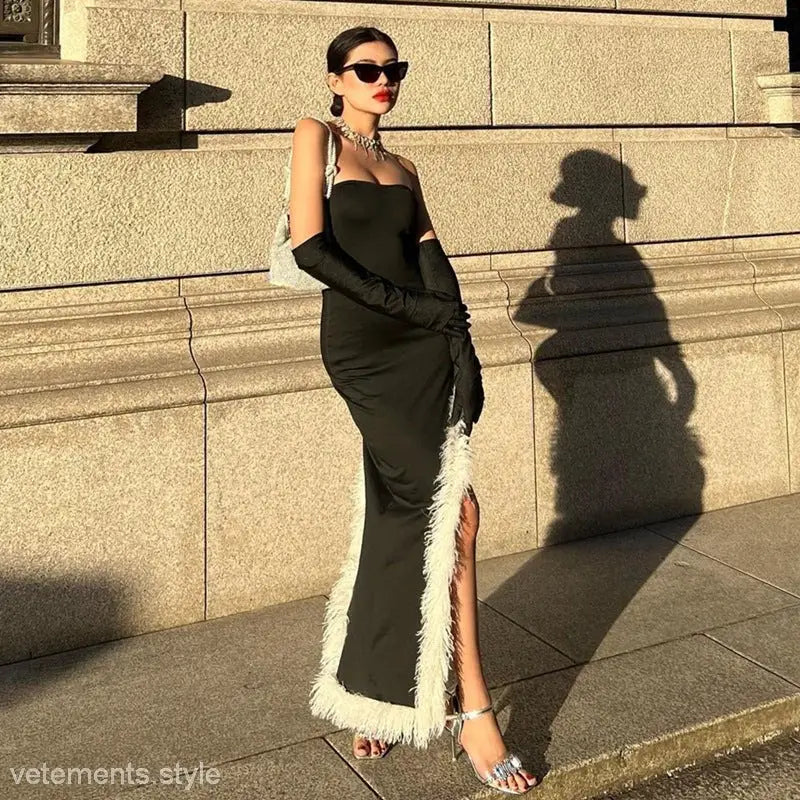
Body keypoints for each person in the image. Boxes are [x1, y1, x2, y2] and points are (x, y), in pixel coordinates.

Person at [288, 25, 539, 795]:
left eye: (392, 69)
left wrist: (463, 347)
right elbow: (310, 250)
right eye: (366, 69)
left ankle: (380, 694)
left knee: (409, 515)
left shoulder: (404, 165)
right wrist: (409, 310)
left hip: (426, 347)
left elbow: (435, 262)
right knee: (451, 513)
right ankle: (475, 714)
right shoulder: (316, 140)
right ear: (335, 79)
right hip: (367, 349)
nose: (382, 80)